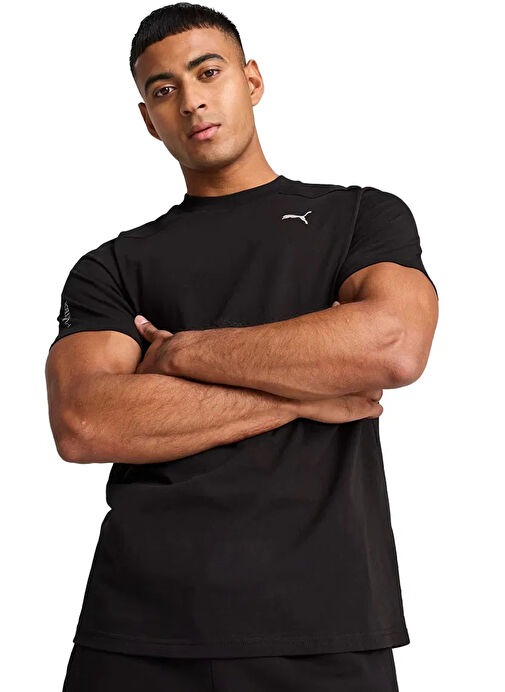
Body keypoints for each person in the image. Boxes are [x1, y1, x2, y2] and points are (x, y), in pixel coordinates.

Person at [46, 3, 439, 690]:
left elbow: (394, 343)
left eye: (208, 72)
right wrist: (306, 394)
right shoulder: (112, 266)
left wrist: (180, 354)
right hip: (138, 631)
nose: (191, 100)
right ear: (148, 118)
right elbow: (84, 421)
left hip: (325, 628)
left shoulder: (358, 216)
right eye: (163, 89)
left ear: (251, 80)